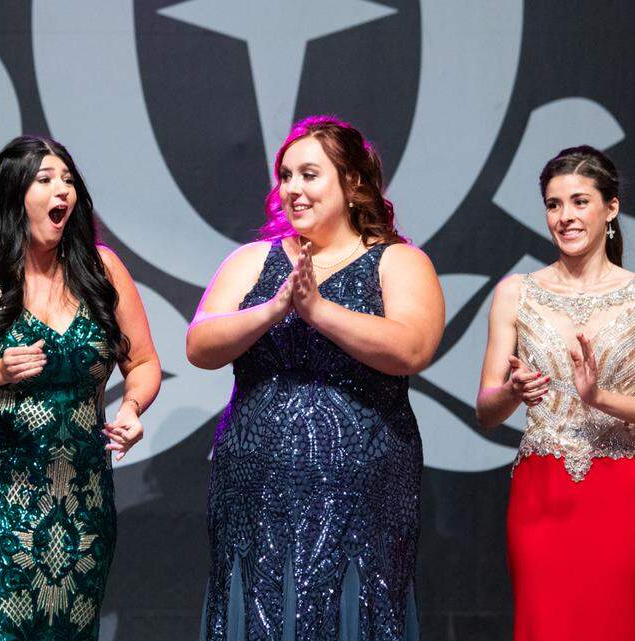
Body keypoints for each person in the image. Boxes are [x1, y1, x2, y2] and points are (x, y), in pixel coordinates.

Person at [188, 115, 444, 640]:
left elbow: (412, 348)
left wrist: (319, 311)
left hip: (359, 489)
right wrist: (273, 309)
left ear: (351, 183)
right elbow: (200, 345)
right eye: (285, 176)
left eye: (309, 174)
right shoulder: (252, 259)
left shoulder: (397, 260)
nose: (293, 189)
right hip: (254, 484)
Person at [0, 135, 161, 640]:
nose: (60, 190)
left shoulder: (101, 271)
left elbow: (145, 361)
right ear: (14, 194)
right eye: (44, 180)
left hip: (80, 500)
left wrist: (131, 408)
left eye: (68, 181)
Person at [476, 145, 635, 641]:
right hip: (541, 494)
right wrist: (511, 392)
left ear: (611, 208)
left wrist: (600, 398)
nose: (565, 217)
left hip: (619, 493)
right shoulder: (516, 292)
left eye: (579, 201)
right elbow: (486, 408)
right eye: (553, 204)